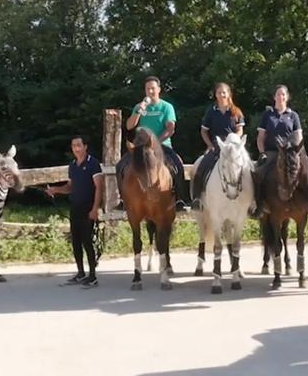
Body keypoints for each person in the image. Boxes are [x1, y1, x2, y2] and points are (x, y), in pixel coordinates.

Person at [115, 76, 189, 211]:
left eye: (153, 88)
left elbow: (170, 128)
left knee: (177, 164)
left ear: (159, 90)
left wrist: (157, 142)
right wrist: (138, 111)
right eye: (147, 89)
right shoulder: (141, 107)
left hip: (162, 144)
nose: (150, 91)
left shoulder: (166, 107)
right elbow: (129, 126)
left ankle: (180, 199)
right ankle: (123, 199)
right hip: (141, 147)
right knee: (121, 165)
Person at [251, 85, 308, 218]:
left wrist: (297, 150)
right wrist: (262, 152)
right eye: (278, 94)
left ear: (287, 97)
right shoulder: (267, 115)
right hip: (273, 151)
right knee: (257, 173)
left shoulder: (293, 115)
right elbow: (261, 137)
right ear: (274, 97)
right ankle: (259, 205)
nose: (281, 97)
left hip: (291, 152)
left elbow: (299, 135)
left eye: (283, 94)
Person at [46, 135, 104, 289]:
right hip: (75, 207)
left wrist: (95, 209)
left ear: (85, 146)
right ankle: (80, 273)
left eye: (79, 145)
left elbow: (99, 187)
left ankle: (92, 276)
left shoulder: (93, 164)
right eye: (73, 146)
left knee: (87, 241)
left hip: (88, 207)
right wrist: (56, 190)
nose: (76, 148)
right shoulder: (72, 165)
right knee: (76, 241)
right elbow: (70, 187)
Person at [191, 82, 245, 210]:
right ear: (216, 95)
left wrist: (233, 140)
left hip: (233, 147)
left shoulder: (236, 112)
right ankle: (197, 198)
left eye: (224, 92)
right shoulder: (211, 112)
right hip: (217, 146)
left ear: (228, 94)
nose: (221, 95)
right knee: (201, 166)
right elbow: (204, 131)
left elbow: (240, 130)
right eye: (219, 92)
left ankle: (252, 201)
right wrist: (209, 145)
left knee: (249, 169)